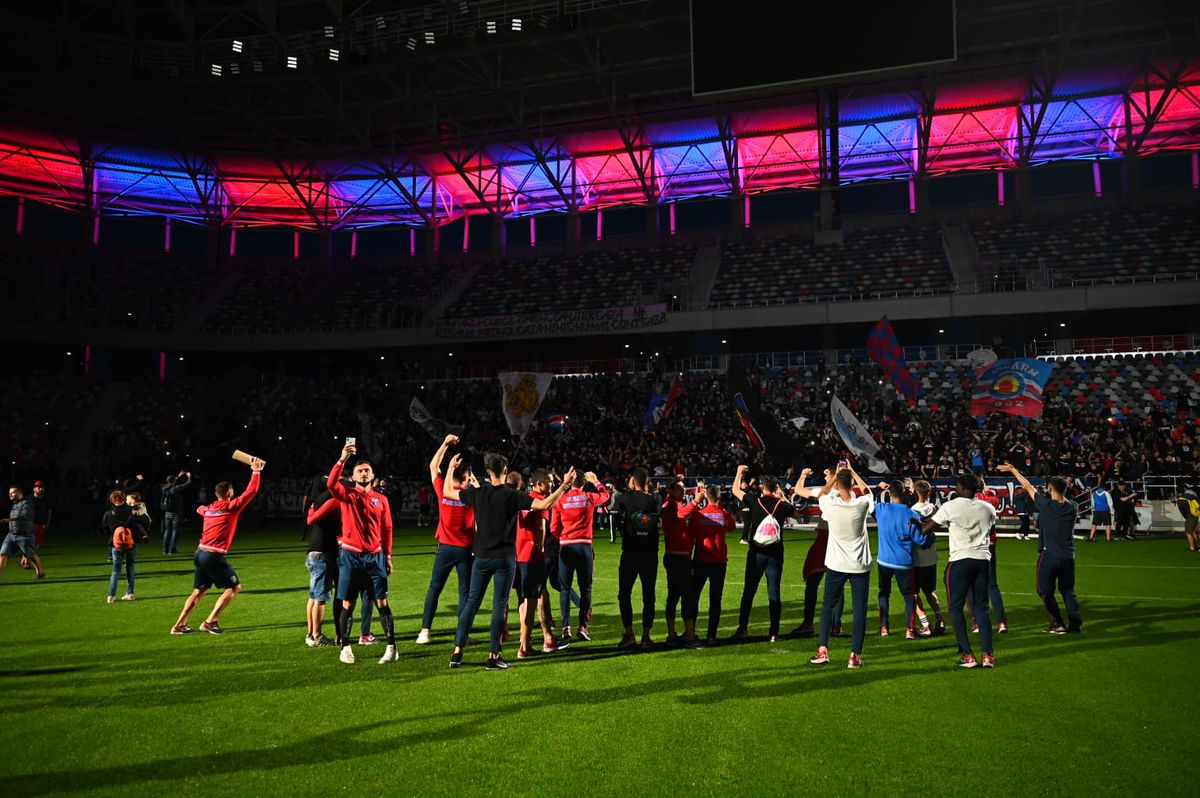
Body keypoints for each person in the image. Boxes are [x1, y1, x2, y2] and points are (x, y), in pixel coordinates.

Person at [444, 453, 575, 670]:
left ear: (487, 472)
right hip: (504, 559)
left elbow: (447, 491)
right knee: (499, 606)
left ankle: (457, 651)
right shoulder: (511, 495)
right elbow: (543, 505)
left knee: (471, 604)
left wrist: (450, 468)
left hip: (481, 558)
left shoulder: (477, 493)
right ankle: (493, 656)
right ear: (505, 471)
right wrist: (564, 487)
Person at [169, 457, 264, 636]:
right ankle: (209, 622)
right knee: (234, 588)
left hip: (199, 552)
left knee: (199, 590)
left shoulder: (210, 508)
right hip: (212, 555)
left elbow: (200, 510)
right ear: (228, 492)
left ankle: (179, 625)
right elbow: (251, 492)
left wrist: (205, 511)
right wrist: (256, 471)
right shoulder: (230, 506)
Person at [326, 442, 396, 665]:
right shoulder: (347, 495)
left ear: (373, 475)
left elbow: (387, 529)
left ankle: (392, 647)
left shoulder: (381, 500)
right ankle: (346, 647)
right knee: (348, 603)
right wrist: (342, 459)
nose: (364, 473)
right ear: (353, 476)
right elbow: (331, 484)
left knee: (382, 602)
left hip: (375, 557)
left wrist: (388, 556)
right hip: (350, 557)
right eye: (359, 470)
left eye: (367, 470)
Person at [921, 473, 997, 668]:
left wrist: (916, 525)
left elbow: (926, 529)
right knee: (982, 608)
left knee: (955, 607)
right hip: (982, 560)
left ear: (963, 488)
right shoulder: (988, 508)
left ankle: (968, 655)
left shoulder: (951, 506)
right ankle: (988, 655)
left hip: (960, 560)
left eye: (957, 485)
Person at [999, 463, 1083, 632]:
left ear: (1050, 488)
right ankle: (1075, 625)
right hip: (1068, 557)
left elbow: (1027, 486)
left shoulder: (1046, 505)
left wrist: (1013, 469)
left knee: (1043, 591)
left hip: (1049, 556)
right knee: (1068, 591)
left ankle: (1057, 623)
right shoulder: (1073, 506)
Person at [809, 465, 874, 669]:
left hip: (836, 564)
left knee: (828, 605)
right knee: (859, 610)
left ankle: (823, 650)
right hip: (859, 566)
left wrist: (834, 478)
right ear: (852, 483)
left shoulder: (830, 505)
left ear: (838, 484)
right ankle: (854, 655)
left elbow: (822, 493)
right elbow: (868, 492)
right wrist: (853, 472)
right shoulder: (861, 504)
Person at [417, 434, 476, 646]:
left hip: (445, 548)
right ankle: (462, 635)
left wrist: (444, 444)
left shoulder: (443, 490)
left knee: (435, 588)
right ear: (466, 477)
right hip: (465, 550)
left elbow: (434, 466)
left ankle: (425, 631)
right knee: (465, 593)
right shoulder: (471, 496)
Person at [731, 466, 794, 642]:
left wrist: (739, 473)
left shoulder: (754, 501)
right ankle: (774, 632)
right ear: (776, 488)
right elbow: (796, 512)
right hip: (775, 554)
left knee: (748, 591)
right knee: (774, 593)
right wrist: (782, 497)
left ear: (762, 487)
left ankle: (743, 628)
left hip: (756, 553)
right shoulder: (781, 505)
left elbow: (736, 490)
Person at [551, 469, 610, 643]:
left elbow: (554, 528)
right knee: (586, 588)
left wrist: (563, 538)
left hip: (566, 547)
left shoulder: (560, 500)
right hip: (584, 546)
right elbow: (606, 495)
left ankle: (565, 627)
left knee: (565, 588)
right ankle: (583, 626)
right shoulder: (590, 497)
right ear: (584, 483)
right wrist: (596, 481)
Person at [514, 469, 566, 658]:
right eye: (548, 482)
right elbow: (541, 528)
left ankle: (540, 638)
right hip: (532, 556)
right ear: (538, 484)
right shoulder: (540, 502)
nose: (551, 485)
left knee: (526, 598)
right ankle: (525, 646)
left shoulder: (524, 499)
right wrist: (541, 548)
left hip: (518, 555)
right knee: (533, 599)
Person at [611, 467, 666, 650]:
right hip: (650, 553)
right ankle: (646, 636)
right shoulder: (655, 499)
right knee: (648, 594)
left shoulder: (624, 498)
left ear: (632, 481)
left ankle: (629, 633)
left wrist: (624, 531)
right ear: (648, 481)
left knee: (624, 594)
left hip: (630, 551)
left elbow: (615, 515)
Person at [873, 481, 932, 639]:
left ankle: (884, 627)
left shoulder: (881, 509)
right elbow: (922, 541)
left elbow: (867, 502)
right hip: (903, 562)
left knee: (884, 593)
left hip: (884, 560)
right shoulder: (911, 514)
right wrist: (931, 536)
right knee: (909, 595)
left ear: (889, 493)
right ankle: (909, 629)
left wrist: (878, 490)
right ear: (905, 493)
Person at [690, 484, 735, 645]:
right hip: (719, 562)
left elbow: (692, 536)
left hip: (701, 560)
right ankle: (711, 635)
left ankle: (691, 632)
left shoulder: (698, 515)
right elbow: (732, 527)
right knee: (715, 599)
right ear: (720, 497)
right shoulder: (725, 515)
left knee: (694, 597)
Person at [660, 478, 702, 646]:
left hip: (678, 556)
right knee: (686, 596)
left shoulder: (671, 506)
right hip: (678, 558)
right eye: (679, 489)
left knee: (675, 596)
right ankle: (689, 636)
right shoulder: (671, 506)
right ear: (670, 491)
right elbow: (682, 514)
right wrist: (697, 501)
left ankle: (674, 635)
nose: (683, 491)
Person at [303, 483, 341, 647]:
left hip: (314, 551)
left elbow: (310, 516)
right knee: (320, 597)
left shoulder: (319, 500)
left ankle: (311, 634)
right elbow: (311, 520)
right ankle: (317, 636)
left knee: (313, 596)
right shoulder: (334, 500)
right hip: (323, 553)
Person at [909, 480, 945, 636]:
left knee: (914, 593)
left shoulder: (912, 511)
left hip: (917, 558)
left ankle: (925, 623)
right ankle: (940, 619)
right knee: (930, 591)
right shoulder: (935, 509)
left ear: (916, 492)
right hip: (931, 557)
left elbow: (911, 533)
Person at [107, 494, 151, 602]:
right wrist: (144, 534)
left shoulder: (109, 513)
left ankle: (111, 596)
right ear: (123, 499)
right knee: (130, 567)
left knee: (115, 570)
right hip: (132, 542)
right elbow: (141, 522)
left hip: (117, 544)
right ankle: (130, 593)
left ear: (112, 500)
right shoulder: (131, 511)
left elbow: (105, 528)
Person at [1, 485, 46, 580]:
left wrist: (10, 519)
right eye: (9, 493)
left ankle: (40, 572)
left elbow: (25, 515)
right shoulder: (14, 504)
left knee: (31, 555)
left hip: (25, 535)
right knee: (3, 554)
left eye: (13, 492)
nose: (10, 495)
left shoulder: (27, 503)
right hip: (11, 535)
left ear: (20, 493)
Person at [160, 471, 192, 555]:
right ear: (174, 481)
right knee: (175, 531)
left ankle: (165, 550)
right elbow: (187, 484)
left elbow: (171, 482)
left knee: (167, 531)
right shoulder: (176, 489)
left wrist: (178, 476)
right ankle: (172, 549)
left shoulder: (164, 487)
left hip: (167, 512)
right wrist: (189, 477)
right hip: (176, 512)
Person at [1088, 479, 1114, 543]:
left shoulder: (1094, 493)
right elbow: (1110, 503)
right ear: (1105, 487)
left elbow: (1092, 503)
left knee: (1094, 524)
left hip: (1097, 511)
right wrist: (1112, 511)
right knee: (1108, 524)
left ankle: (1091, 537)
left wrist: (1093, 510)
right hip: (1105, 510)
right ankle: (1108, 539)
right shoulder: (1106, 493)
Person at [1175, 484, 1199, 551]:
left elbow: (1182, 511)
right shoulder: (1190, 496)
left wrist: (1186, 517)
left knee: (1188, 532)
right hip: (1195, 514)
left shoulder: (1180, 500)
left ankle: (1192, 547)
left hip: (1189, 516)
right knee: (1192, 531)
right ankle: (1195, 546)